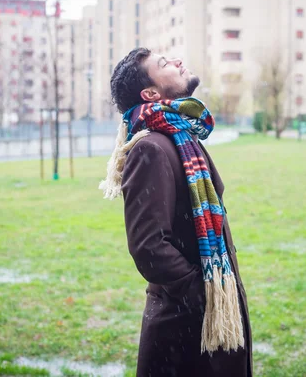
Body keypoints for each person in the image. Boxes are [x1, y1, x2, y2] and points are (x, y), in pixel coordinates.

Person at [99, 48, 252, 377]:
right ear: (151, 94)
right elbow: (149, 247)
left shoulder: (181, 136)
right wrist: (201, 294)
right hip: (184, 335)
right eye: (164, 64)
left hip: (207, 319)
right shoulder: (150, 147)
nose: (179, 60)